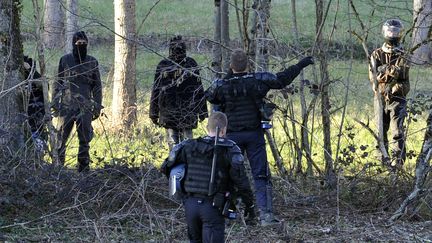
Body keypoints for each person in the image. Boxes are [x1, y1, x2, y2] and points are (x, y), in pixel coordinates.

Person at [205, 48, 314, 226]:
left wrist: (228, 78)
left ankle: (226, 215)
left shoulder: (222, 84)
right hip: (254, 134)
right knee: (261, 175)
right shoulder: (257, 80)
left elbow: (210, 96)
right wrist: (300, 65)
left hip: (231, 137)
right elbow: (281, 79)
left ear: (231, 66)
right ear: (247, 64)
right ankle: (266, 215)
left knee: (227, 175)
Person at [160, 111, 255, 243]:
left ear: (206, 128)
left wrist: (182, 190)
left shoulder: (188, 146)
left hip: (190, 206)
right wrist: (250, 206)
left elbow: (166, 167)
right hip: (213, 208)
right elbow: (242, 182)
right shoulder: (229, 149)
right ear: (224, 130)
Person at [52, 31, 103, 172]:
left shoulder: (92, 62)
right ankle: (58, 169)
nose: (81, 45)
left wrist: (97, 106)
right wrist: (55, 103)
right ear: (73, 44)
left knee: (85, 140)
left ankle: (83, 169)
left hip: (85, 107)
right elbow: (58, 83)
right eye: (78, 43)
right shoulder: (65, 60)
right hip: (67, 107)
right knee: (60, 139)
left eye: (83, 43)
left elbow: (97, 86)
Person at [149, 35, 208, 148]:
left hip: (172, 113)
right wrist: (202, 112)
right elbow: (199, 89)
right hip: (185, 113)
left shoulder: (165, 65)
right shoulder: (190, 64)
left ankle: (177, 164)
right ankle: (186, 164)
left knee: (175, 147)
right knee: (187, 145)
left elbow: (198, 89)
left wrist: (154, 113)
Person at [369, 19, 410, 167]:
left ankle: (397, 162)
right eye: (390, 31)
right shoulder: (376, 54)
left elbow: (402, 74)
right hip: (379, 97)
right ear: (385, 32)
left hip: (398, 96)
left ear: (400, 34)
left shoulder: (404, 54)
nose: (392, 34)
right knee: (380, 131)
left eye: (395, 31)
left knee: (397, 131)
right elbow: (374, 77)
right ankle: (382, 162)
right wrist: (388, 72)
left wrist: (384, 71)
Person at [23, 55, 46, 151]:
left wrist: (30, 70)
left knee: (38, 152)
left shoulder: (37, 81)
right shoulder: (15, 83)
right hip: (21, 124)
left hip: (36, 125)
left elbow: (44, 86)